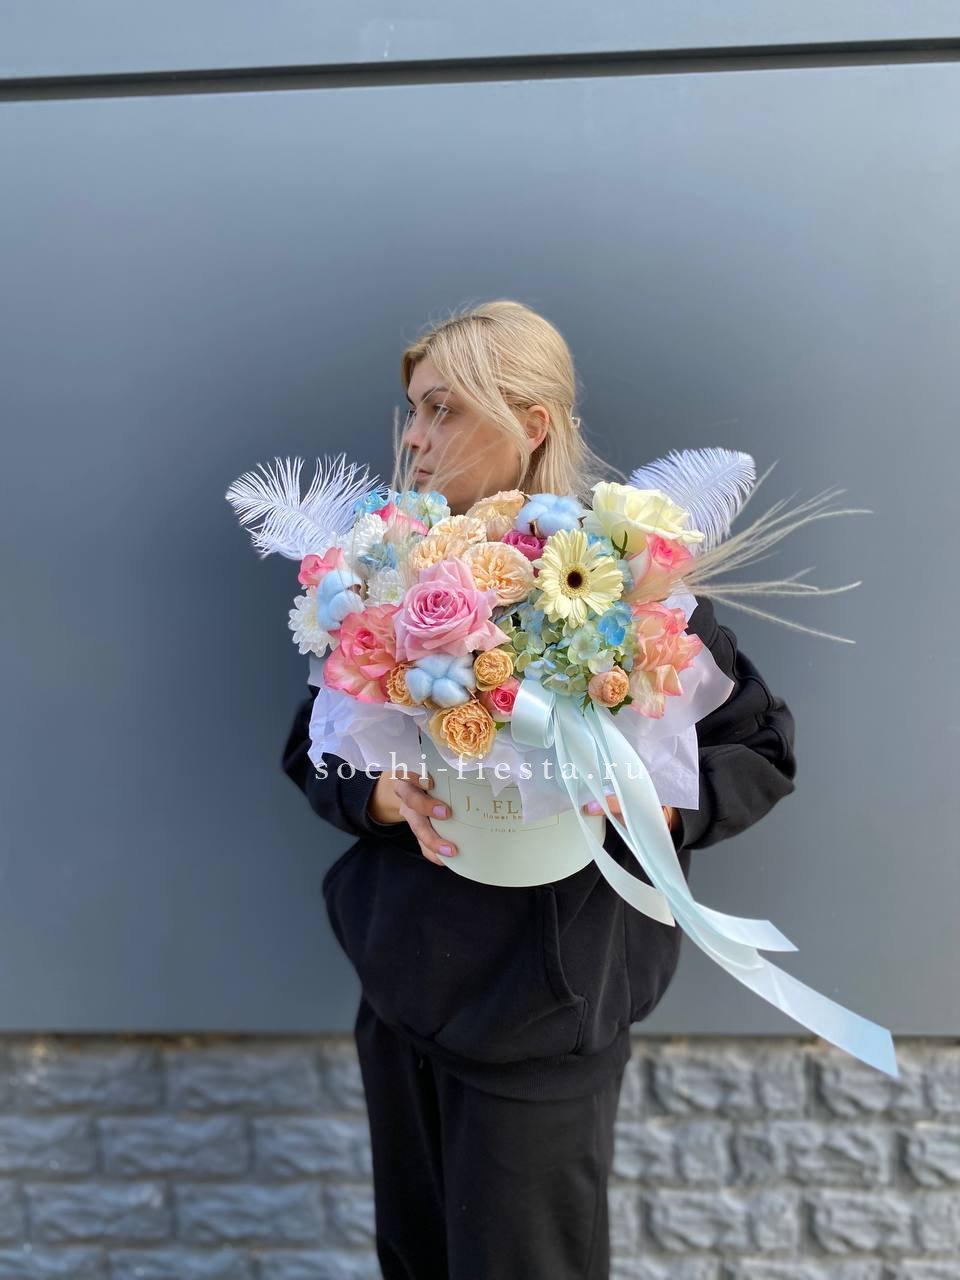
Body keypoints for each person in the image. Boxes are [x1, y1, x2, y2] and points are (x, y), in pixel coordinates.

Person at [281, 300, 797, 1279]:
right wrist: (381, 796)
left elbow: (761, 749)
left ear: (531, 423)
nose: (414, 437)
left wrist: (652, 802)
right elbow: (312, 751)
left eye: (442, 409)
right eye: (413, 409)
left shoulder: (628, 588)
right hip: (401, 992)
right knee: (415, 1261)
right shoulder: (386, 577)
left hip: (545, 1019)